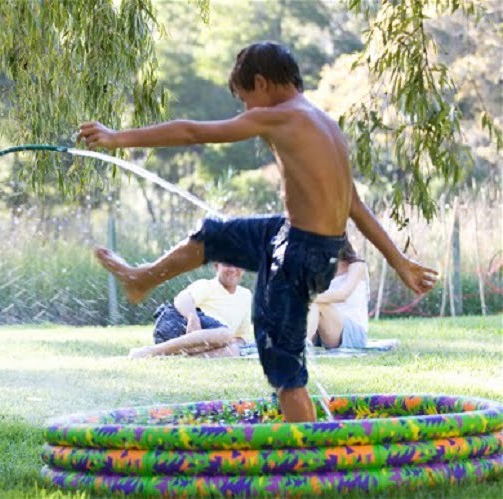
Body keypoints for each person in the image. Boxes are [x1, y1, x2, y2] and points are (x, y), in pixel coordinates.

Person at [78, 42, 437, 423]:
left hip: (299, 252)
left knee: (284, 368)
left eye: (245, 100)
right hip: (303, 240)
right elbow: (356, 207)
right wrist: (399, 262)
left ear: (262, 84)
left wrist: (118, 138)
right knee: (213, 236)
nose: (246, 112)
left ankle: (311, 459)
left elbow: (193, 131)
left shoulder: (279, 117)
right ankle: (142, 278)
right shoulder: (326, 124)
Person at [132, 263, 252, 358]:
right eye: (227, 264)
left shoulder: (246, 295)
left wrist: (232, 344)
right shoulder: (206, 285)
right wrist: (192, 318)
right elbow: (181, 299)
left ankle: (175, 358)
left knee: (233, 350)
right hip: (177, 323)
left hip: (205, 343)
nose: (232, 269)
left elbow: (241, 337)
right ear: (217, 266)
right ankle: (149, 352)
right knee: (225, 334)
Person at [306, 239, 369, 349]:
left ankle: (302, 346)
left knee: (316, 302)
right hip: (325, 330)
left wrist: (308, 297)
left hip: (353, 333)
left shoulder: (357, 265)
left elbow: (343, 295)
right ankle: (299, 345)